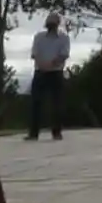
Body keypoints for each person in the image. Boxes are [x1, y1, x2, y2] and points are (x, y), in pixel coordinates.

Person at [28, 13, 69, 141]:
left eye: (53, 23)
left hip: (56, 72)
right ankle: (33, 133)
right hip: (40, 71)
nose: (51, 25)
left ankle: (56, 132)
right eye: (49, 23)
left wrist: (51, 64)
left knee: (56, 103)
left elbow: (64, 54)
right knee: (36, 103)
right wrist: (43, 65)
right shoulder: (39, 37)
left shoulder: (63, 38)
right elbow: (35, 54)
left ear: (57, 24)